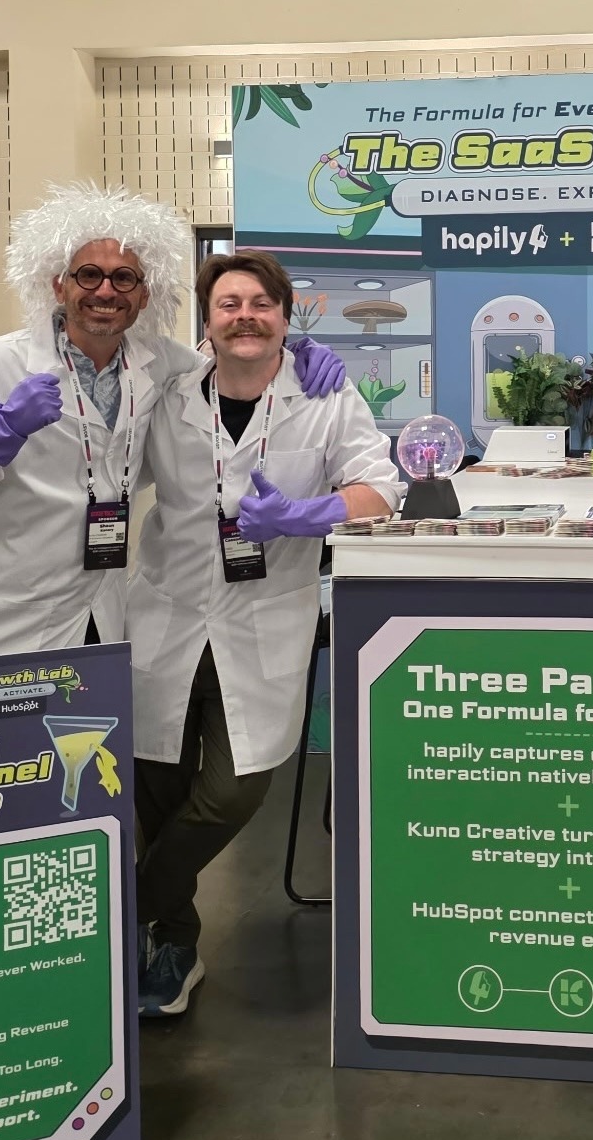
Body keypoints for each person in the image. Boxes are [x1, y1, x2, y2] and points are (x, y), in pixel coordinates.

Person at [0, 184, 347, 661]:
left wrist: (295, 352)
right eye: (89, 275)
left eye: (124, 278)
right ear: (59, 286)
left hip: (97, 614)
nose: (106, 290)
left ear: (143, 296)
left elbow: (234, 360)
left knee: (80, 736)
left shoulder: (166, 364)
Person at [129, 251, 401, 1017]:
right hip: (168, 616)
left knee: (232, 792)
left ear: (286, 317)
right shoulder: (170, 394)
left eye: (261, 303)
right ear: (207, 321)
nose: (244, 315)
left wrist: (312, 515)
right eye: (228, 304)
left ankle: (127, 909)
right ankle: (173, 948)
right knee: (159, 787)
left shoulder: (324, 394)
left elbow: (380, 487)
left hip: (264, 621)